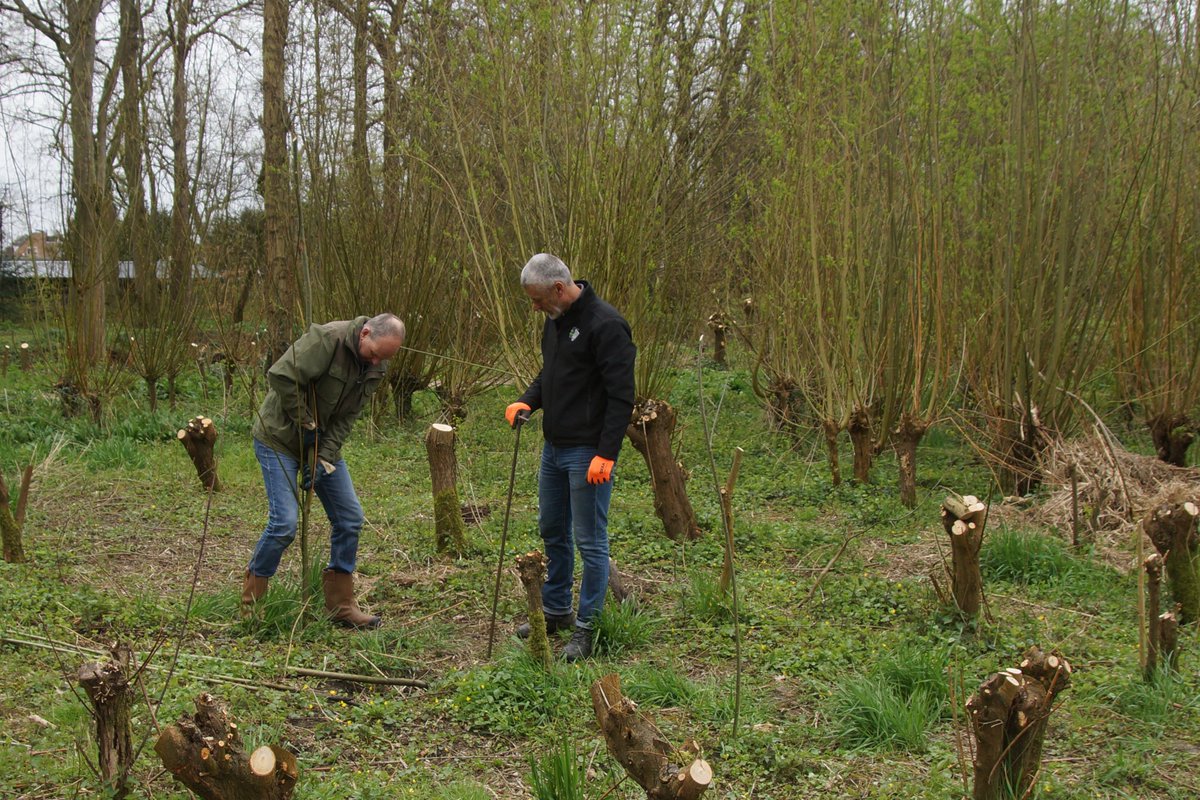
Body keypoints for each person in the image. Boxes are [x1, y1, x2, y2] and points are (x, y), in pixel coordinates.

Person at [505, 254, 636, 661]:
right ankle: (557, 609)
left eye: (539, 300)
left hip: (588, 454)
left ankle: (587, 627)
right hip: (554, 448)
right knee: (552, 531)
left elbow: (621, 395)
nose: (536, 307)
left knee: (590, 542)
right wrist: (527, 401)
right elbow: (551, 374)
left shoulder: (606, 325)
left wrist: (607, 454)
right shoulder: (556, 321)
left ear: (559, 289)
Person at [241, 313, 405, 630]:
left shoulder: (377, 363)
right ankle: (252, 606)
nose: (376, 364)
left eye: (383, 360)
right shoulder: (327, 339)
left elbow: (347, 418)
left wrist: (322, 456)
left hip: (320, 445)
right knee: (284, 524)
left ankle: (340, 606)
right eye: (374, 354)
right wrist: (307, 423)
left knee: (350, 517)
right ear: (365, 333)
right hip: (279, 438)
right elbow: (282, 376)